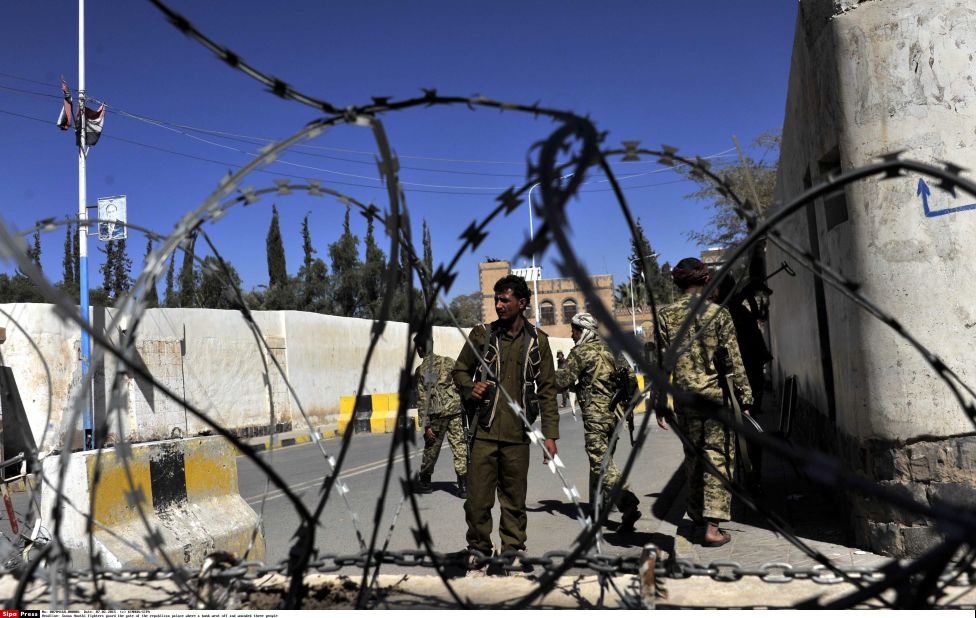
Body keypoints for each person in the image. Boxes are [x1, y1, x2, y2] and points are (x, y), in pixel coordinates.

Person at [453, 274, 559, 569]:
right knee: (477, 502)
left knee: (514, 499)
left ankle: (512, 548)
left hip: (517, 436)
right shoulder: (481, 336)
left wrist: (550, 436)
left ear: (522, 303)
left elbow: (548, 390)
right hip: (483, 433)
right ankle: (479, 547)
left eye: (505, 300)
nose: (498, 305)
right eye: (496, 300)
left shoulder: (539, 342)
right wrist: (468, 387)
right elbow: (459, 370)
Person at [655, 257, 753, 547]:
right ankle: (712, 527)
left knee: (694, 459)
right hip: (715, 400)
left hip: (685, 402)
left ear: (678, 282)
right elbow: (734, 360)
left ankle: (697, 519)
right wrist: (745, 398)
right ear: (705, 279)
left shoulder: (666, 316)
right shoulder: (718, 315)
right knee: (717, 458)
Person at [555, 313, 641, 532]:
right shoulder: (612, 350)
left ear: (582, 330)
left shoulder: (581, 352)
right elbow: (631, 380)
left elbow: (562, 381)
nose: (572, 335)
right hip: (615, 415)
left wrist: (545, 373)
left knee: (600, 462)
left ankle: (627, 502)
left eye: (574, 330)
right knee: (602, 460)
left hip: (595, 417)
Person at [414, 333, 468, 498]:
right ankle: (464, 486)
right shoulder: (449, 361)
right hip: (455, 411)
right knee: (459, 446)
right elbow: (461, 380)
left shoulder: (421, 371)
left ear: (420, 349)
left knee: (431, 448)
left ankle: (425, 482)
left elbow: (422, 400)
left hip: (436, 414)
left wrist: (426, 425)